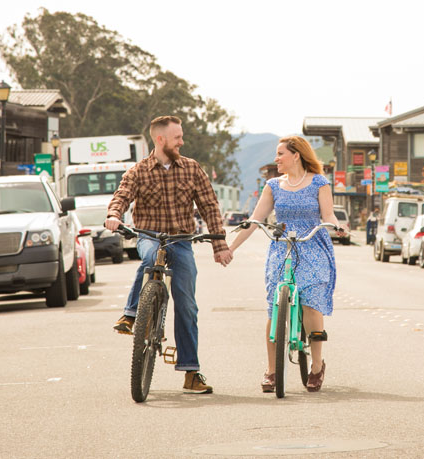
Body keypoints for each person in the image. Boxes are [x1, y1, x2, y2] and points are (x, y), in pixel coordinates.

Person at [104, 115, 232, 394]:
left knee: (187, 305)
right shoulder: (139, 171)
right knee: (150, 258)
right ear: (160, 139)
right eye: (177, 137)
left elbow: (210, 205)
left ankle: (190, 372)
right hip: (149, 236)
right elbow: (121, 196)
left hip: (182, 240)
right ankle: (131, 314)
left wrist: (219, 245)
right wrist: (114, 215)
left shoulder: (191, 168)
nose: (182, 142)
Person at [228, 135, 337, 393]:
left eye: (280, 154)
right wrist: (230, 247)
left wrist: (338, 226)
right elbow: (255, 219)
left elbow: (329, 214)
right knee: (273, 305)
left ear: (296, 155)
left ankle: (317, 365)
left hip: (312, 244)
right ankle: (272, 370)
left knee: (311, 301)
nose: (276, 159)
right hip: (282, 247)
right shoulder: (273, 185)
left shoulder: (319, 182)